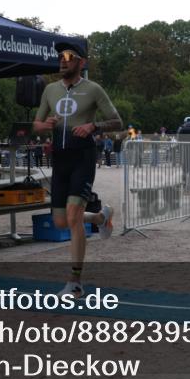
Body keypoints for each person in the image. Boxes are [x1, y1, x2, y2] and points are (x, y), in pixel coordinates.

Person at [32, 39, 123, 298]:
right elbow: (36, 125)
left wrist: (93, 127)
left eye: (70, 56)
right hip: (59, 161)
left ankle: (75, 281)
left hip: (82, 158)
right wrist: (46, 124)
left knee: (72, 216)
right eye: (61, 56)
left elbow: (117, 121)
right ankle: (99, 218)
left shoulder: (93, 89)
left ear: (81, 63)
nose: (63, 60)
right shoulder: (50, 90)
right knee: (62, 221)